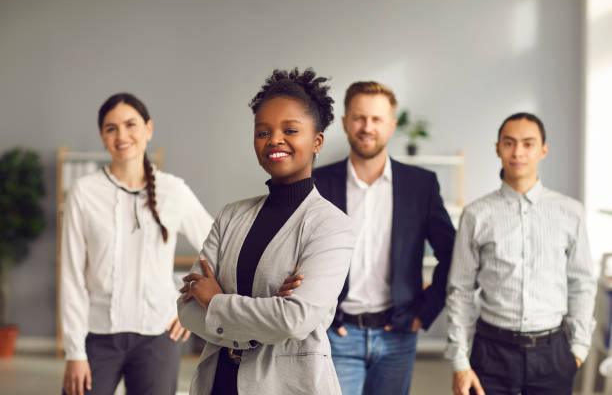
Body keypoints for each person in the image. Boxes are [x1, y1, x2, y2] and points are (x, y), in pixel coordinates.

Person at [177, 68, 355, 395]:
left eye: (290, 130)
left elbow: (294, 319)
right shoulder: (231, 216)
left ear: (317, 142)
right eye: (263, 132)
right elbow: (188, 309)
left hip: (289, 386)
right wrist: (266, 315)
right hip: (218, 385)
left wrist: (216, 300)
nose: (274, 140)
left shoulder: (331, 226)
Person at [61, 93, 213, 395]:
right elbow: (72, 276)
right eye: (110, 128)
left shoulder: (174, 190)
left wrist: (192, 306)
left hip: (158, 337)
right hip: (97, 336)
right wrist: (74, 352)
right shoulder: (83, 192)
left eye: (130, 124)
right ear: (103, 137)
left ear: (148, 129)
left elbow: (218, 246)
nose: (122, 136)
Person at [313, 81, 456, 394]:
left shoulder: (421, 184)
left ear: (391, 126)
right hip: (337, 333)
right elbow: (298, 255)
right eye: (360, 118)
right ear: (346, 123)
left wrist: (424, 312)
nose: (367, 127)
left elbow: (453, 253)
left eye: (377, 119)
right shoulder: (318, 183)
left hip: (398, 335)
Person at [446, 112, 596, 395]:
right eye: (509, 143)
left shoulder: (570, 212)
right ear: (497, 148)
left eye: (528, 144)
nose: (518, 152)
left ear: (543, 150)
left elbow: (582, 284)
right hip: (491, 352)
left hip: (553, 354)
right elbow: (461, 290)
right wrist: (459, 362)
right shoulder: (476, 214)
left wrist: (578, 349)